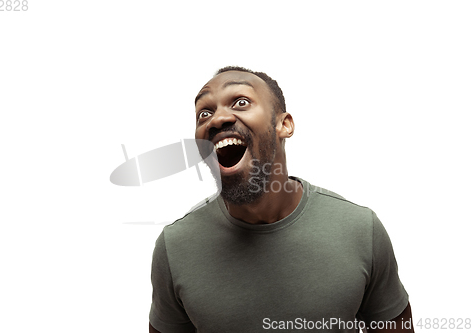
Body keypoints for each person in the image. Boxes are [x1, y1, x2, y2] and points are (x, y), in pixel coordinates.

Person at [148, 66, 414, 332]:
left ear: (284, 125)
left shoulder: (360, 230)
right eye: (204, 113)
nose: (217, 119)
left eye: (241, 102)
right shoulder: (175, 247)